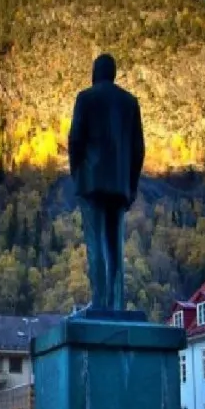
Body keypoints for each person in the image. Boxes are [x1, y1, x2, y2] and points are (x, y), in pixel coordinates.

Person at [67, 53, 145, 312]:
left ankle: (100, 304)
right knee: (115, 245)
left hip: (91, 182)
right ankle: (116, 304)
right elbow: (138, 149)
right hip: (120, 187)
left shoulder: (86, 98)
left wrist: (77, 171)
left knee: (95, 242)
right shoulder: (130, 103)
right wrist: (131, 185)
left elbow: (76, 139)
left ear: (95, 72)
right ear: (113, 73)